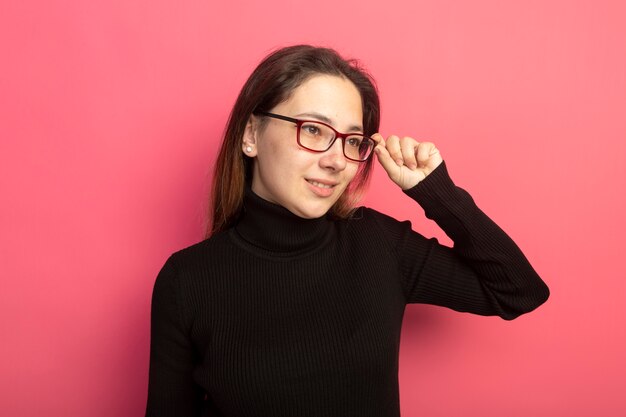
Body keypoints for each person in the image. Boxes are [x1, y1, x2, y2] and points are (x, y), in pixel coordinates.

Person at [145, 44, 549, 417]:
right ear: (251, 135)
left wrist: (436, 193)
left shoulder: (377, 244)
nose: (338, 160)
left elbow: (518, 290)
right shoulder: (187, 281)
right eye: (314, 130)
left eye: (352, 141)